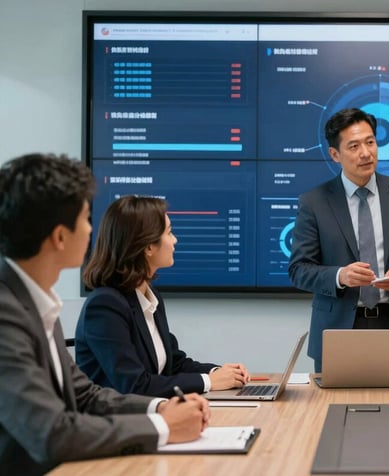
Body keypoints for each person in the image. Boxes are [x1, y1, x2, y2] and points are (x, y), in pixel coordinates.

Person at [0, 154, 210, 475]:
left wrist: (162, 406)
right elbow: (52, 434)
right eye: (86, 219)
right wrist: (162, 428)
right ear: (59, 236)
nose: (91, 231)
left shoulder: (35, 303)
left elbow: (86, 395)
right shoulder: (6, 315)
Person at [288, 108, 389, 372]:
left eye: (370, 142)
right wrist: (340, 276)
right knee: (331, 410)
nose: (366, 153)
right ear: (335, 154)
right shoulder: (314, 202)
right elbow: (299, 269)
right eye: (354, 146)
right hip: (337, 329)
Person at [76, 195, 250, 398]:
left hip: (152, 415)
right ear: (148, 247)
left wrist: (219, 373)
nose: (175, 240)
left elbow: (173, 363)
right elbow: (135, 385)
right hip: (118, 423)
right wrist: (209, 382)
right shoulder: (105, 306)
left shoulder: (149, 296)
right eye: (169, 232)